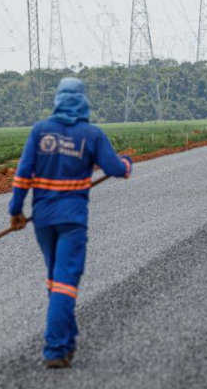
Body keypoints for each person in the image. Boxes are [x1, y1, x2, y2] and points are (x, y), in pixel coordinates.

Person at [9, 77, 132, 369]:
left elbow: (23, 174)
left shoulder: (40, 131)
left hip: (43, 219)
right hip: (72, 220)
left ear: (58, 98)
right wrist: (127, 164)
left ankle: (67, 341)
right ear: (82, 100)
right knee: (65, 283)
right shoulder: (91, 134)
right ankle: (54, 349)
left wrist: (15, 210)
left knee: (56, 280)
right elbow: (114, 168)